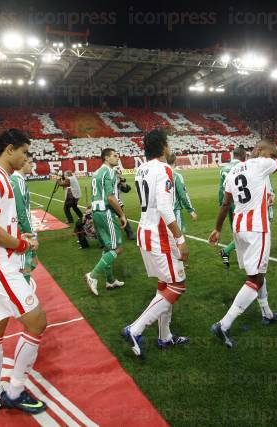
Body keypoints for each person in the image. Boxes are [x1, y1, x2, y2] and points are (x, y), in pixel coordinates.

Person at [0, 129, 46, 415]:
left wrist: (20, 238)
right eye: (25, 152)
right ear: (10, 149)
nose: (27, 158)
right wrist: (20, 244)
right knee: (37, 322)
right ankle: (15, 390)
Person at [209, 141, 277, 348]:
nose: (271, 154)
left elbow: (225, 204)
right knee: (255, 278)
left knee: (258, 273)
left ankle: (267, 314)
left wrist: (218, 229)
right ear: (259, 152)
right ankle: (224, 324)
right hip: (257, 228)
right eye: (268, 151)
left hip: (239, 228)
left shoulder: (233, 171)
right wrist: (275, 151)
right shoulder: (261, 163)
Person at [122, 129, 190, 359]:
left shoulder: (141, 168)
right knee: (178, 286)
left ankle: (165, 336)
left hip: (145, 231)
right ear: (163, 147)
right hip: (159, 235)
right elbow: (164, 207)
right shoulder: (164, 169)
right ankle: (135, 329)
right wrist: (180, 239)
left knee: (165, 284)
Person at [84, 148, 127, 295]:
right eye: (115, 156)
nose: (117, 158)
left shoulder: (97, 172)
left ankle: (110, 280)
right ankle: (92, 275)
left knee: (108, 247)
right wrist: (122, 214)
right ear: (107, 158)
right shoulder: (109, 172)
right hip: (105, 212)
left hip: (96, 212)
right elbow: (110, 197)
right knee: (118, 248)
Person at [10, 154, 38, 284]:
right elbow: (22, 212)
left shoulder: (14, 180)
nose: (31, 165)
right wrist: (31, 236)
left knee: (27, 264)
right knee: (24, 266)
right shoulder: (18, 181)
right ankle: (24, 298)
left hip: (15, 230)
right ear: (23, 162)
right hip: (21, 232)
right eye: (30, 162)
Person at [218, 146, 246, 267]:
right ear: (243, 155)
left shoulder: (224, 168)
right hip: (238, 203)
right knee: (244, 232)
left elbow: (221, 189)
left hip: (227, 204)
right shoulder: (243, 167)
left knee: (236, 231)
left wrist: (222, 205)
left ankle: (239, 253)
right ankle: (226, 251)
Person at [166, 154, 197, 233]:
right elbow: (183, 196)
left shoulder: (160, 175)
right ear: (175, 162)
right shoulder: (177, 176)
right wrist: (191, 211)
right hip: (175, 210)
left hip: (163, 211)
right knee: (178, 236)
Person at [114, 167, 136, 240]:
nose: (119, 175)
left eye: (119, 173)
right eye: (118, 173)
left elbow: (126, 189)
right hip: (108, 201)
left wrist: (122, 180)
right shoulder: (109, 181)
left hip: (117, 202)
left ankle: (129, 233)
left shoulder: (120, 182)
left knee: (122, 216)